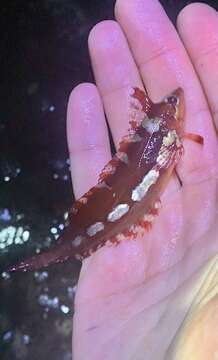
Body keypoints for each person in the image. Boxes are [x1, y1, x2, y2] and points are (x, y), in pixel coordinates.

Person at [67, 1, 218, 358]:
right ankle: (69, 241)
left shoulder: (170, 134)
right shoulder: (167, 132)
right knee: (102, 213)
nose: (177, 101)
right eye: (170, 104)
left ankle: (69, 243)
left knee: (117, 206)